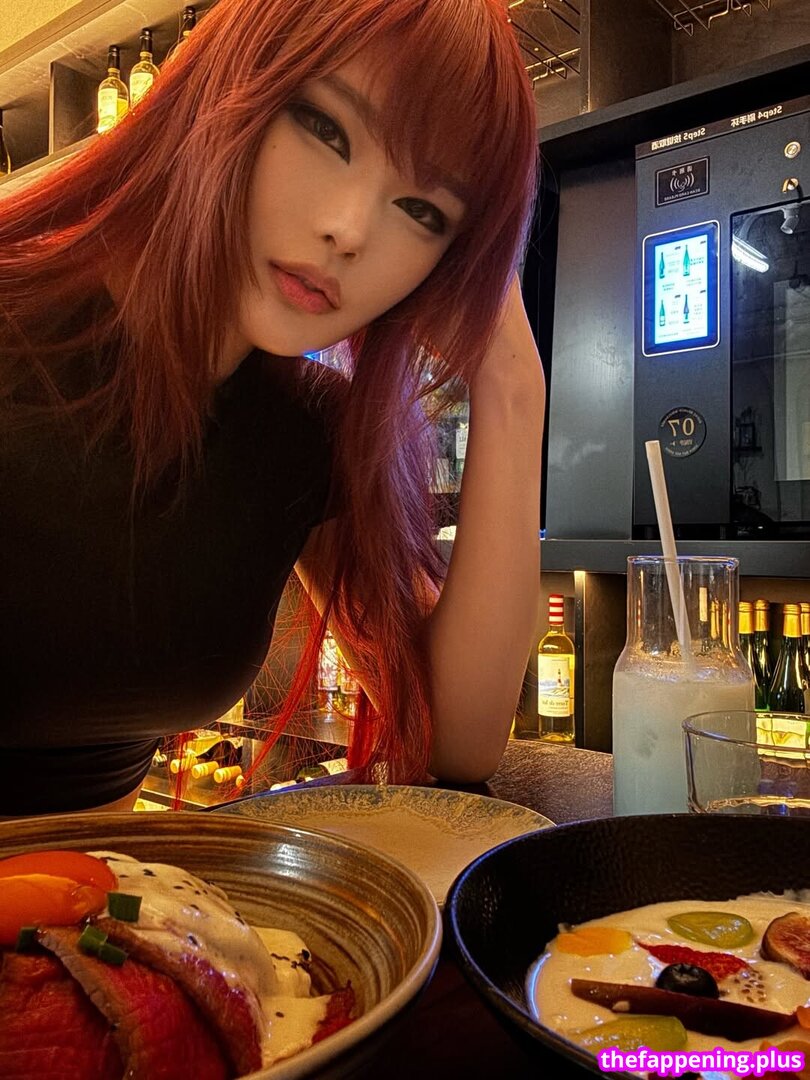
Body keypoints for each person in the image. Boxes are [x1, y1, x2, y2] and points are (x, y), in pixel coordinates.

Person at [0, 0, 544, 816]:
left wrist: (513, 386)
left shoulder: (304, 435)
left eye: (423, 212)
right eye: (325, 129)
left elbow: (455, 736)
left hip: (106, 887)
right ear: (228, 86)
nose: (349, 230)